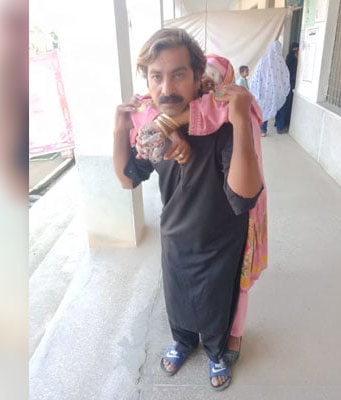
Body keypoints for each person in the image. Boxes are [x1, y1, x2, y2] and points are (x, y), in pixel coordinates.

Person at [113, 28, 265, 391]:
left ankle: (215, 352)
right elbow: (127, 179)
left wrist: (241, 120)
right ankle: (183, 341)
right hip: (175, 235)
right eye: (156, 76)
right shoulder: (154, 131)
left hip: (222, 235)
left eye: (179, 74)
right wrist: (119, 129)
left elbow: (243, 196)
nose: (166, 87)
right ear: (147, 82)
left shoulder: (222, 125)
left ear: (199, 78)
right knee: (176, 294)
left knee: (217, 301)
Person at [249, 41, 290, 137]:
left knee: (264, 108)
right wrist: (284, 88)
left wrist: (256, 89)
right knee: (280, 108)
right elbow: (285, 76)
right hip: (278, 92)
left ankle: (263, 130)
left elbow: (257, 75)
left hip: (265, 91)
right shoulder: (281, 61)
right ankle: (280, 128)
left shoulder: (263, 59)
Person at [275, 42, 298, 133]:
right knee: (284, 106)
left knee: (279, 106)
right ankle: (281, 126)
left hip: (280, 85)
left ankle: (278, 124)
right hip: (287, 85)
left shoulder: (286, 58)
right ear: (295, 49)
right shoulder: (291, 58)